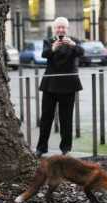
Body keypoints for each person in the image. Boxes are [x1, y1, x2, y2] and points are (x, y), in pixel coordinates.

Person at [35, 17, 84, 158]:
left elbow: (82, 53)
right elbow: (44, 54)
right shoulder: (48, 41)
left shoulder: (74, 41)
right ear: (54, 28)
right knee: (46, 118)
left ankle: (66, 148)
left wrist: (73, 45)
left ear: (67, 29)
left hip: (68, 84)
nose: (61, 30)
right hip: (50, 85)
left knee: (66, 118)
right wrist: (53, 48)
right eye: (58, 27)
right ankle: (41, 147)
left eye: (63, 27)